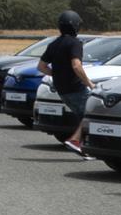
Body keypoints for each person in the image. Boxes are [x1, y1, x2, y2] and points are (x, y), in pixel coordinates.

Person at [37, 10, 97, 157]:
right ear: (76, 26)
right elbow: (76, 65)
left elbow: (41, 67)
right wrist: (90, 83)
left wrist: (57, 74)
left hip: (61, 89)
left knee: (82, 115)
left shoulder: (54, 44)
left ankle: (84, 148)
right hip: (76, 87)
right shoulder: (75, 43)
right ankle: (75, 141)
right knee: (93, 114)